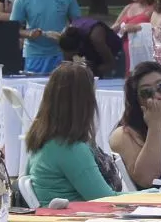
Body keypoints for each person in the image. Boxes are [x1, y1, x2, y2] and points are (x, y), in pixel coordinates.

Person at [25, 64, 124, 203]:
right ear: (85, 102)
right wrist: (151, 194)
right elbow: (105, 200)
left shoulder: (41, 140)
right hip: (74, 215)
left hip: (54, 213)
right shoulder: (71, 149)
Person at [10, 0, 80, 75]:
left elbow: (78, 23)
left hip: (61, 55)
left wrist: (67, 34)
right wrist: (29, 33)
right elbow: (12, 30)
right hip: (34, 56)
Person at [58, 18, 124, 78]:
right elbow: (68, 63)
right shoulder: (66, 37)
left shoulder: (96, 37)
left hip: (114, 55)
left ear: (80, 46)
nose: (70, 56)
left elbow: (110, 64)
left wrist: (90, 70)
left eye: (73, 54)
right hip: (95, 56)